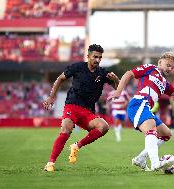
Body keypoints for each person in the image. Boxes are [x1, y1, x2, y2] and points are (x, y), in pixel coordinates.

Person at [108, 52, 174, 171]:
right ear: (159, 62)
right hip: (138, 103)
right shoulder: (150, 68)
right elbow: (129, 73)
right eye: (168, 65)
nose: (170, 68)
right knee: (151, 127)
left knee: (166, 133)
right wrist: (118, 91)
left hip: (146, 108)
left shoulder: (164, 83)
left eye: (172, 67)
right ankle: (155, 163)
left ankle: (141, 158)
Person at [43, 44, 119, 172]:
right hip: (72, 105)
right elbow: (60, 78)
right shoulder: (78, 67)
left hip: (87, 111)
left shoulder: (102, 73)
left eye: (100, 57)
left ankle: (77, 146)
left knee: (104, 126)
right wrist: (51, 97)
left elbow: (118, 89)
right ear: (88, 56)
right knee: (66, 129)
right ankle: (50, 163)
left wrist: (116, 79)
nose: (98, 60)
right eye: (95, 57)